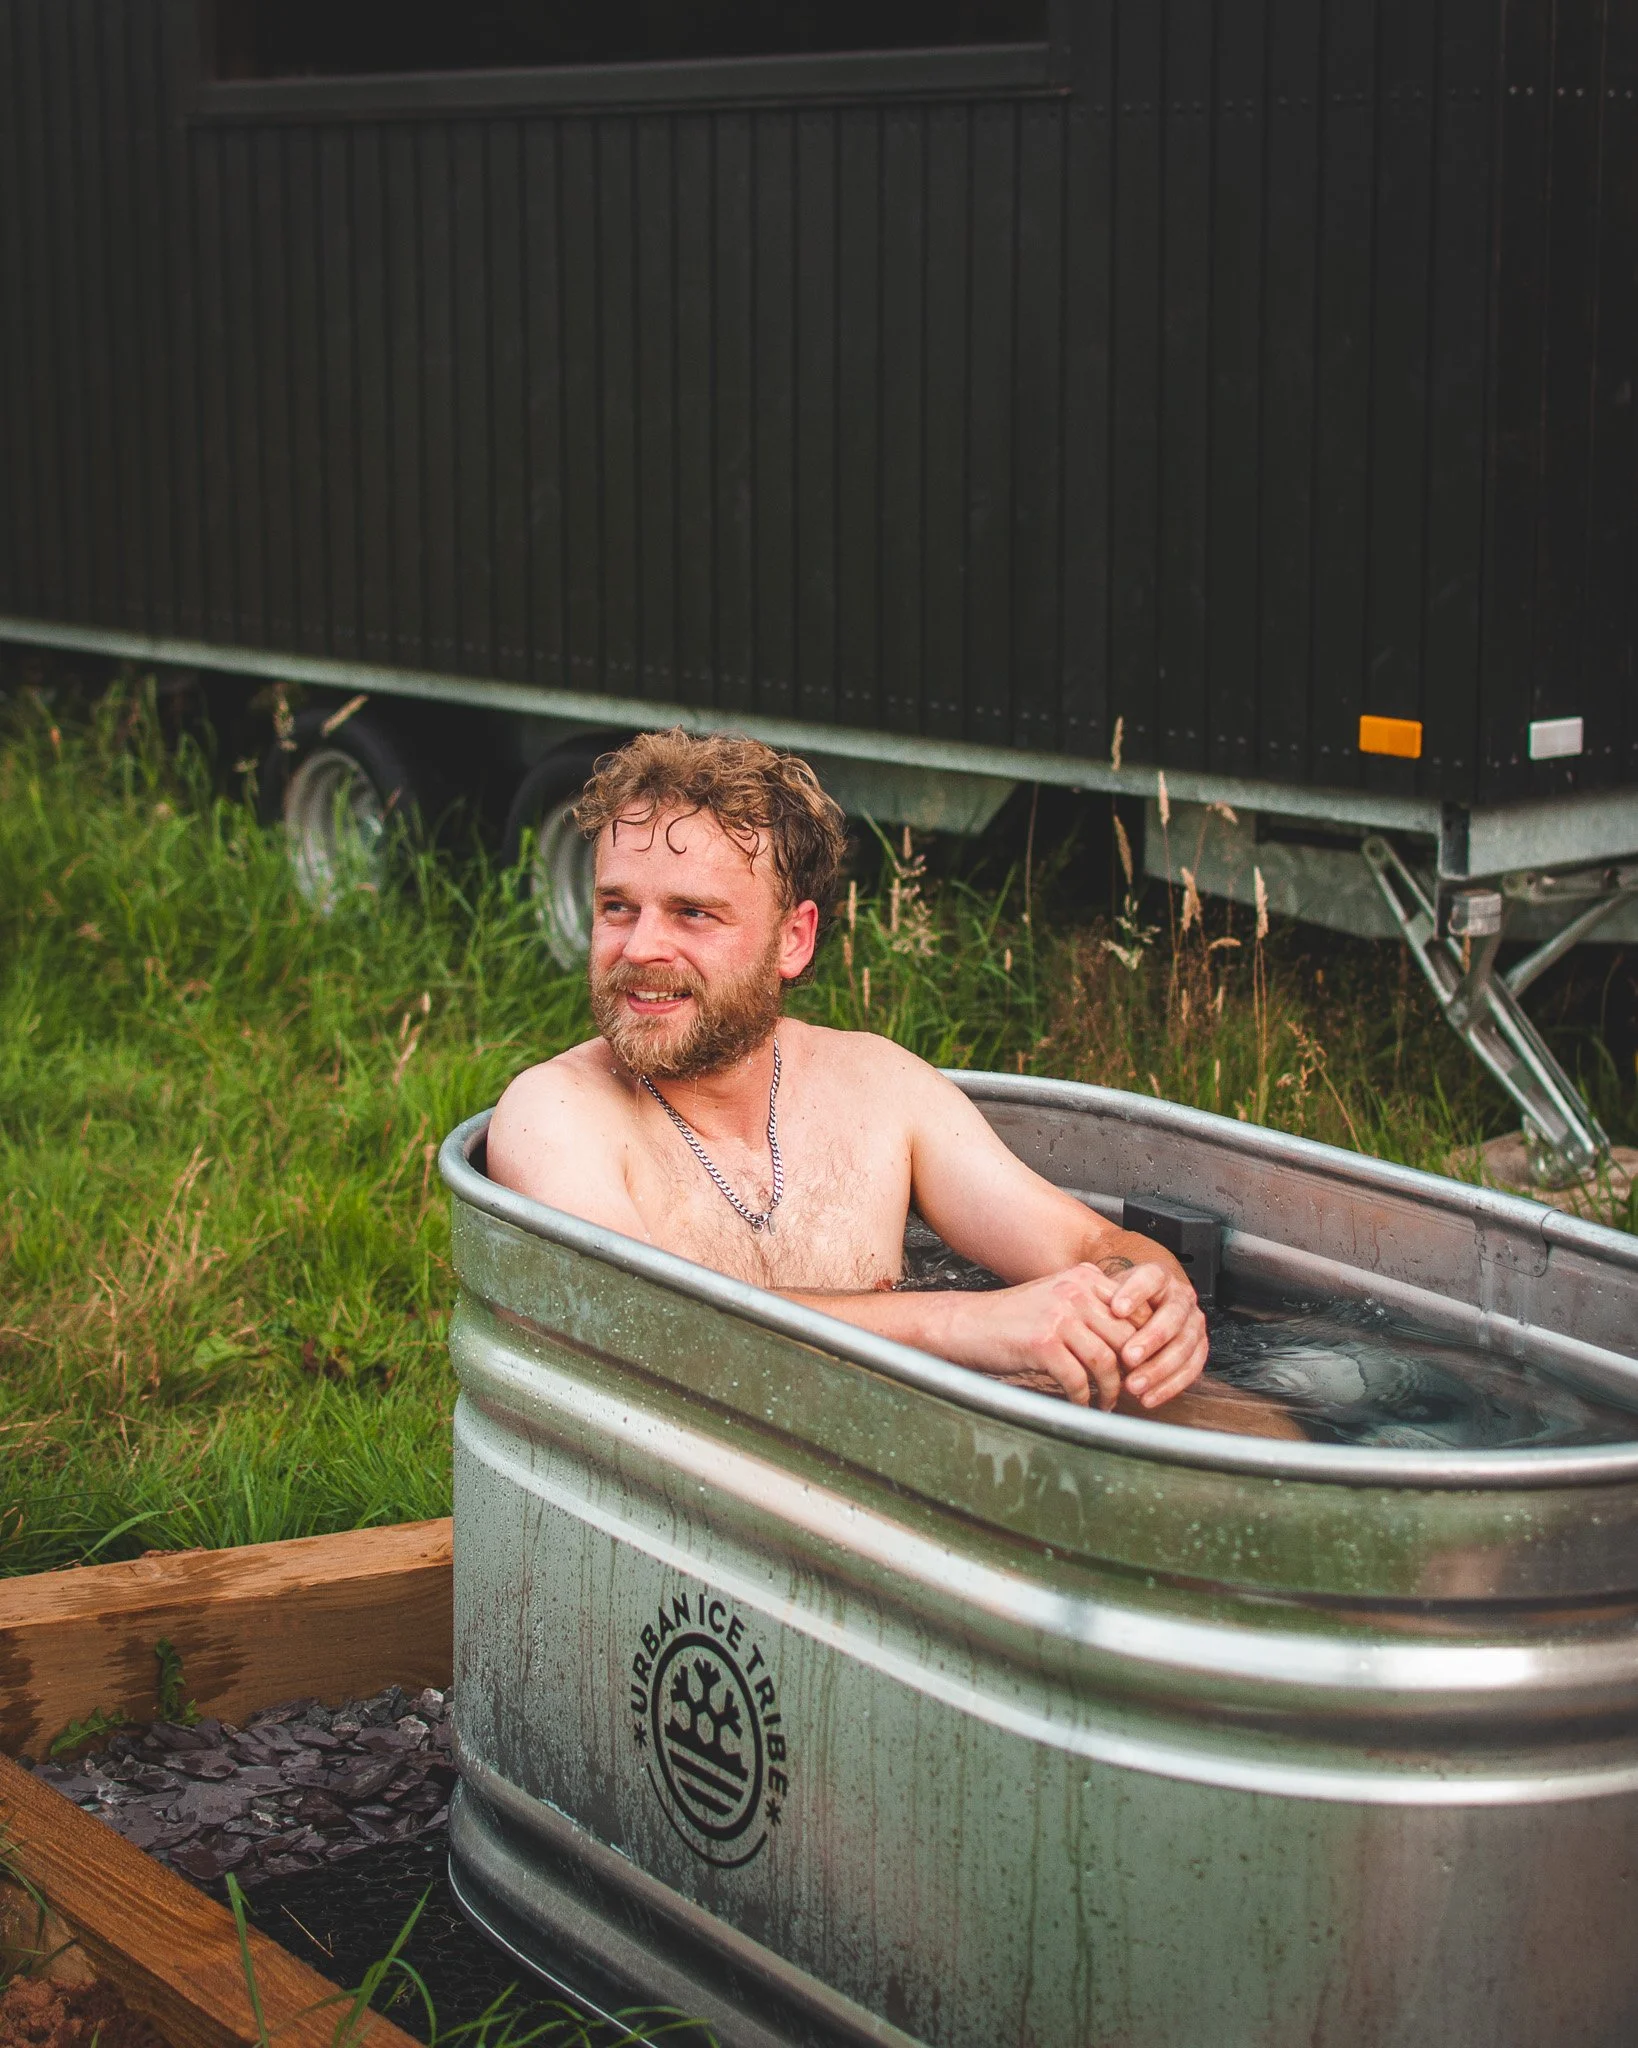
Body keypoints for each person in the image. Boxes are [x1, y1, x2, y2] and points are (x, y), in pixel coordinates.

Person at [487, 729, 1210, 1413]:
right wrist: (967, 1323)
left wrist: (1153, 1303)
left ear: (792, 940)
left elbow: (1089, 1246)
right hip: (673, 1498)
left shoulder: (878, 1089)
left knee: (1250, 1425)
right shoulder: (556, 1112)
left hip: (898, 1475)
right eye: (618, 906)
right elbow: (654, 1323)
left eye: (692, 914)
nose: (641, 947)